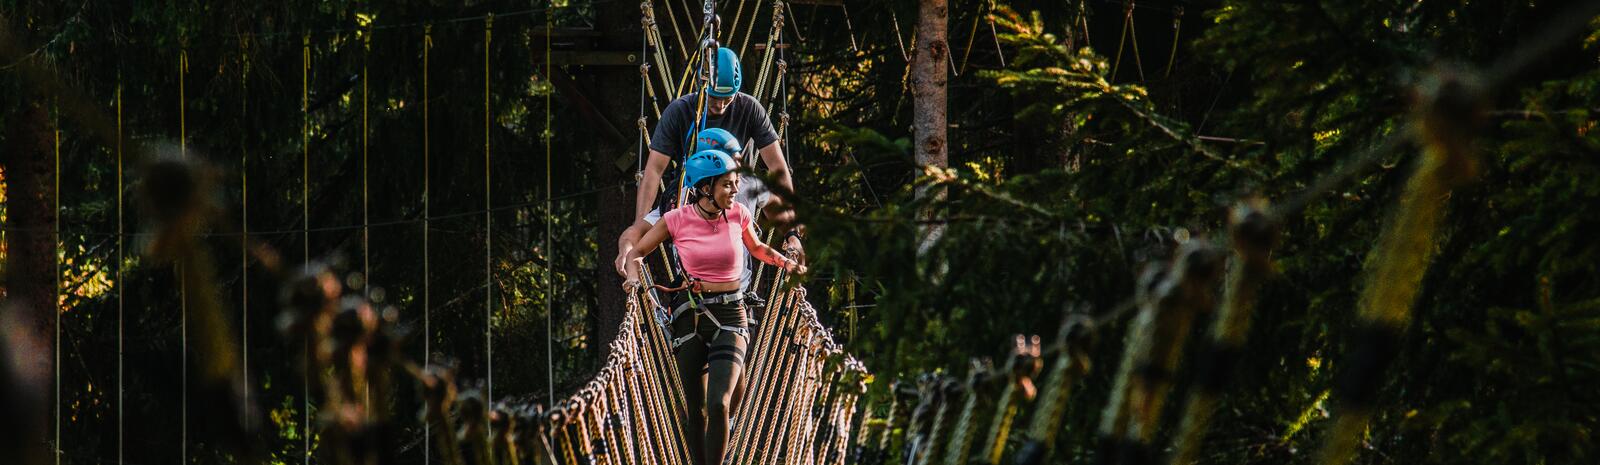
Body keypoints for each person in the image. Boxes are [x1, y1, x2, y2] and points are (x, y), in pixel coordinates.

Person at [622, 150, 805, 465]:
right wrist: (633, 279)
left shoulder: (738, 215)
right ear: (705, 187)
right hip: (689, 317)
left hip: (732, 315)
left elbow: (758, 248)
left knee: (719, 404)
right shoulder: (676, 219)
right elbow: (636, 252)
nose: (736, 191)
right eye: (727, 185)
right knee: (695, 411)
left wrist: (785, 261)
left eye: (736, 183)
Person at [615, 46, 804, 278]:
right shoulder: (680, 112)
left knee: (746, 192)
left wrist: (792, 233)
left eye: (728, 98)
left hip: (738, 181)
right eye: (715, 98)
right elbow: (654, 170)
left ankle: (739, 282)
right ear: (702, 87)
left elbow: (777, 168)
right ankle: (689, 276)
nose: (721, 105)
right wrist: (633, 238)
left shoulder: (749, 111)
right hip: (689, 185)